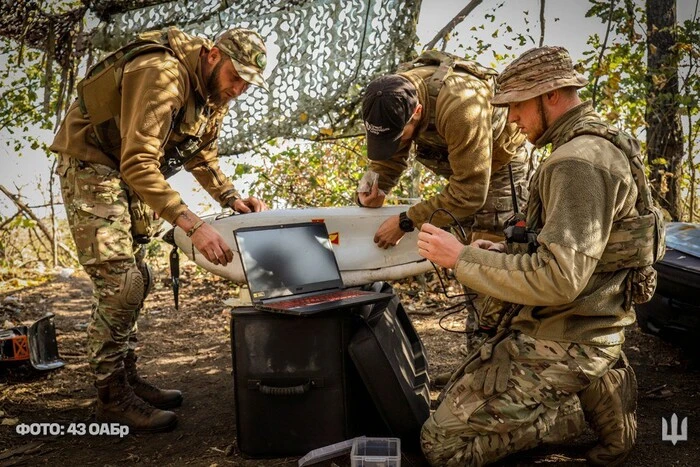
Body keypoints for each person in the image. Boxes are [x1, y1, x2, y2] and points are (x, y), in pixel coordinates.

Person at [416, 46, 663, 466]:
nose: (510, 118)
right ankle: (597, 384)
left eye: (516, 105)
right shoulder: (597, 144)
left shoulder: (577, 163)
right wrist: (505, 250)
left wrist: (460, 258)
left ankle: (563, 413)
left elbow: (559, 279)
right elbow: (578, 251)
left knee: (440, 446)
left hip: (570, 333)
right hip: (584, 317)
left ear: (551, 96)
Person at [51, 27, 269, 432]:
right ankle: (111, 396)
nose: (238, 88)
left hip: (125, 168)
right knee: (121, 283)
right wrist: (194, 225)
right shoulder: (162, 73)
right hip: (94, 163)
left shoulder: (212, 91)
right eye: (235, 76)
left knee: (140, 276)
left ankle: (127, 376)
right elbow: (137, 163)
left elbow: (201, 151)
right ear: (211, 55)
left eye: (246, 82)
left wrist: (230, 198)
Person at [356, 51, 529, 250]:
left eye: (397, 136)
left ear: (417, 111)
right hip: (463, 161)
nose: (394, 143)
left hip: (499, 163)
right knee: (462, 239)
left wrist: (406, 221)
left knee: (490, 246)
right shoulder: (388, 98)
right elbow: (391, 150)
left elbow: (469, 193)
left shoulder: (462, 107)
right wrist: (374, 186)